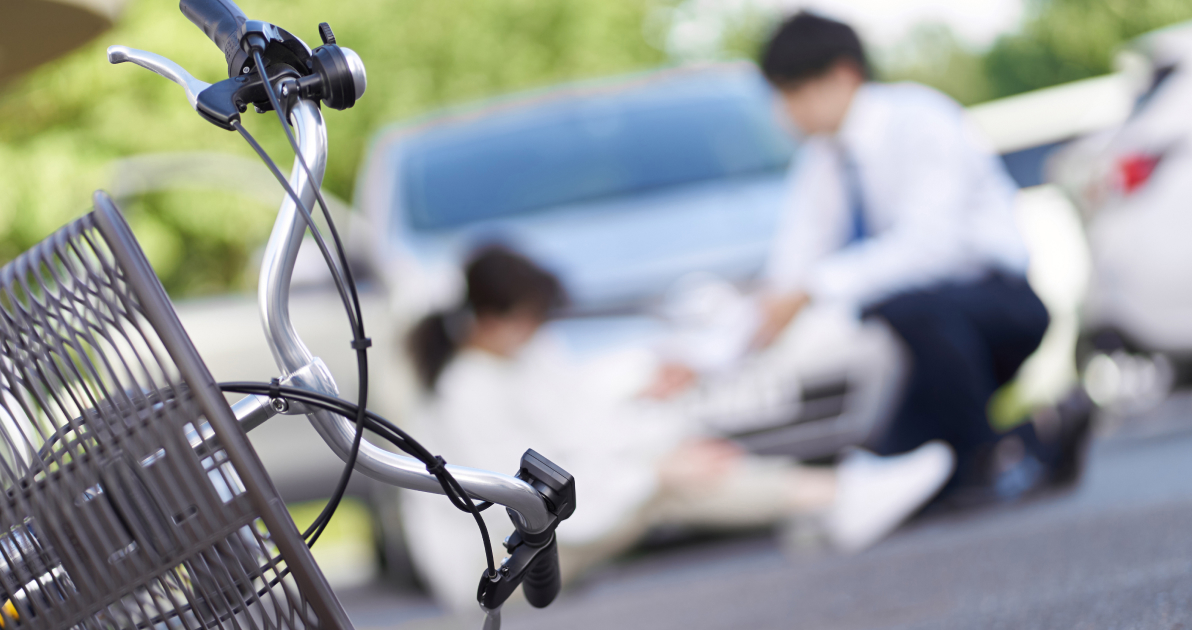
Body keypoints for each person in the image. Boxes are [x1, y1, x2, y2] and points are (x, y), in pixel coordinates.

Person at [400, 246, 955, 611]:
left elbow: (581, 430)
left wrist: (655, 429)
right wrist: (655, 469)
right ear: (494, 319)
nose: (539, 330)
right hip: (492, 569)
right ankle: (836, 497)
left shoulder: (510, 360)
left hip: (537, 539)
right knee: (668, 483)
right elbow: (524, 499)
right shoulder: (466, 390)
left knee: (675, 459)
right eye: (530, 318)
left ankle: (826, 501)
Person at [752, 12, 1089, 501]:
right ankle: (1036, 438)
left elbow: (932, 250)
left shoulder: (921, 119)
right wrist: (722, 344)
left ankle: (993, 457)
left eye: (793, 93)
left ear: (843, 76)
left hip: (997, 306)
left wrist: (814, 288)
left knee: (902, 307)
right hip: (919, 339)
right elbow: (792, 264)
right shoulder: (820, 162)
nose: (785, 114)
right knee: (900, 466)